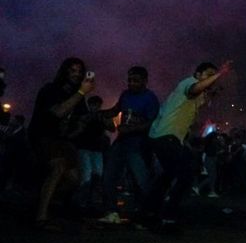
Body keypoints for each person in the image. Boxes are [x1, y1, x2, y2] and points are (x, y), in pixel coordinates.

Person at [142, 61, 230, 229]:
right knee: (187, 173)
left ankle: (150, 211)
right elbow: (194, 90)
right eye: (208, 75)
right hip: (166, 136)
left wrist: (213, 92)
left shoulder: (197, 95)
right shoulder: (188, 82)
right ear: (197, 75)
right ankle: (168, 215)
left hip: (162, 136)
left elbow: (203, 97)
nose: (211, 79)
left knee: (169, 174)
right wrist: (220, 74)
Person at [29, 58, 94, 228]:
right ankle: (41, 217)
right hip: (43, 136)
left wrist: (85, 123)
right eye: (72, 70)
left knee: (74, 179)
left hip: (63, 140)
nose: (76, 74)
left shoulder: (79, 97)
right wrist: (81, 92)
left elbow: (80, 122)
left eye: (80, 71)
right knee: (58, 166)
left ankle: (44, 201)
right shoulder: (51, 89)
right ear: (64, 72)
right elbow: (58, 112)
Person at [98, 66, 160, 224]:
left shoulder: (150, 98)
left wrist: (131, 129)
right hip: (122, 141)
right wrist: (99, 113)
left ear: (145, 81)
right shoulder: (125, 95)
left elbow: (151, 123)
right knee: (109, 175)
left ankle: (147, 213)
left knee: (141, 180)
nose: (131, 83)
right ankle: (111, 212)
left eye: (135, 81)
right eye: (129, 80)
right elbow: (116, 110)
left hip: (138, 144)